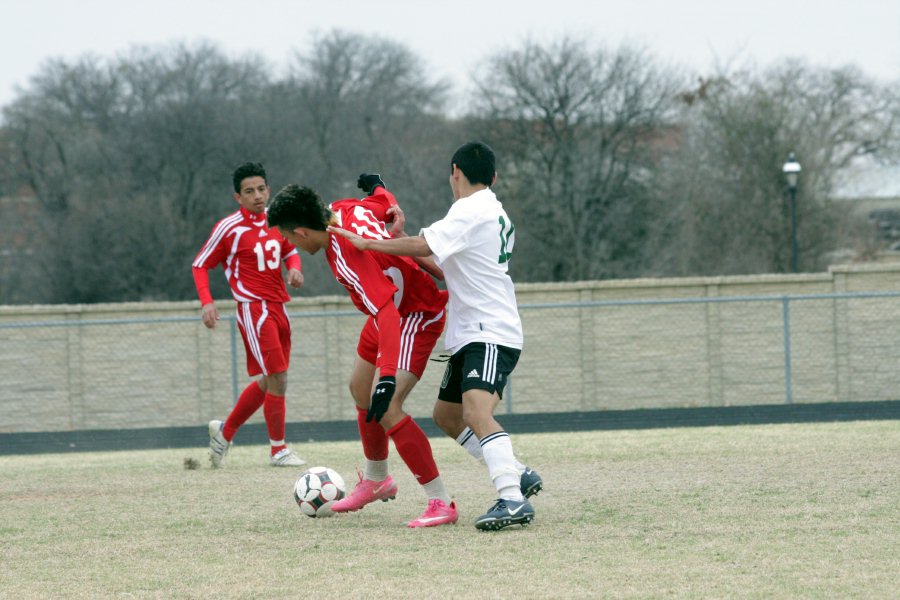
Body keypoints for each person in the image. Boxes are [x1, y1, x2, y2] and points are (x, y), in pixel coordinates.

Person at [328, 141, 541, 531]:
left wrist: (368, 242)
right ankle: (516, 471)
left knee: (477, 413)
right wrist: (402, 234)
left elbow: (425, 245)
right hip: (473, 330)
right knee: (447, 416)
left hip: (489, 330)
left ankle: (511, 498)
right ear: (493, 176)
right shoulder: (491, 212)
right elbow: (442, 266)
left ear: (455, 171)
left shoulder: (471, 208)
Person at [266, 175, 458, 528]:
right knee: (359, 389)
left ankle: (440, 501)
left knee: (387, 405)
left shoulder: (345, 255)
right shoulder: (342, 209)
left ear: (303, 233)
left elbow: (387, 313)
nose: (286, 243)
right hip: (386, 312)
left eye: (286, 235)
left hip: (412, 314)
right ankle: (377, 479)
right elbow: (384, 205)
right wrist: (380, 188)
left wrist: (386, 377)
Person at [192, 162, 306, 468]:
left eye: (260, 189)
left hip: (279, 306)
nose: (256, 195)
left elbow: (289, 249)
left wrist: (294, 268)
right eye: (248, 191)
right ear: (238, 197)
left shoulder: (276, 220)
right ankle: (278, 450)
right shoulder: (228, 228)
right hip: (254, 309)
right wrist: (207, 302)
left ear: (268, 190)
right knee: (278, 377)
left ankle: (224, 433)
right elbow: (200, 264)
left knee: (271, 381)